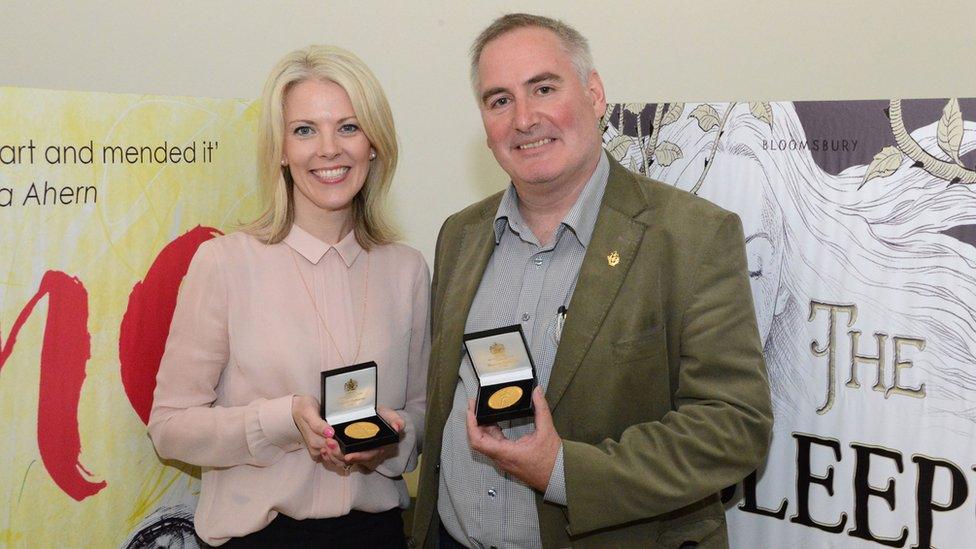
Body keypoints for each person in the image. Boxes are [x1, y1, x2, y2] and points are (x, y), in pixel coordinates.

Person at [411, 13, 772, 548]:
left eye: (544, 88)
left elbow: (733, 425)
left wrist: (562, 471)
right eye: (499, 100)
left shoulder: (692, 238)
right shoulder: (459, 235)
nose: (524, 118)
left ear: (595, 94)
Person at [148, 45, 430, 547]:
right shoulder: (225, 264)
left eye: (348, 127)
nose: (329, 149)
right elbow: (169, 428)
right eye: (305, 130)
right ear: (280, 149)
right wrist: (281, 421)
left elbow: (424, 411)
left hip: (378, 534)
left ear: (374, 144)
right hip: (262, 538)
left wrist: (392, 435)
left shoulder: (406, 269)